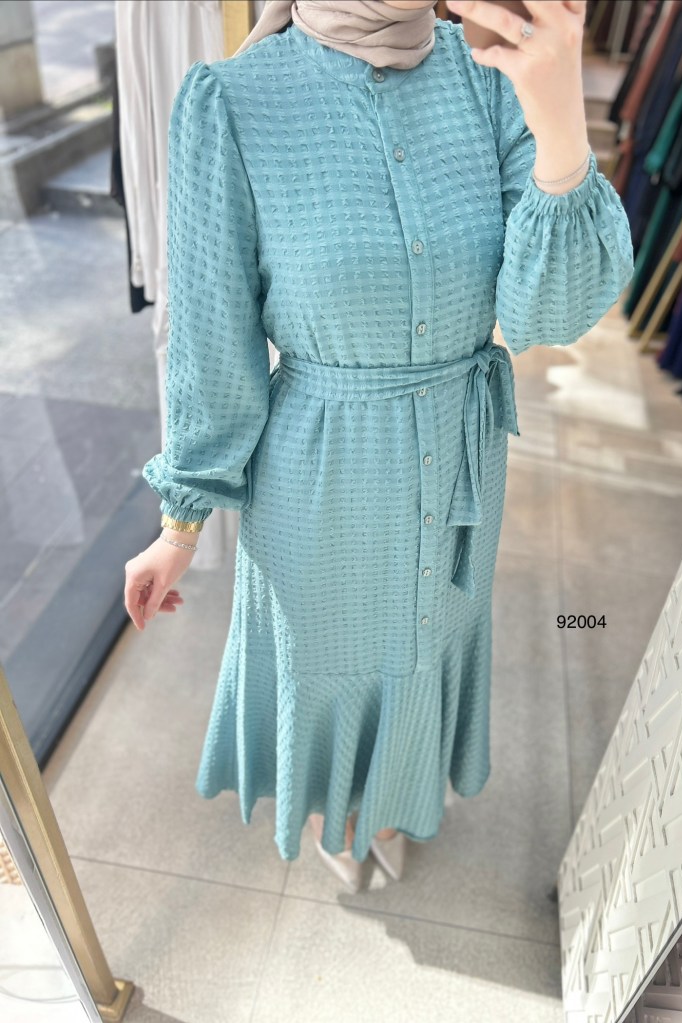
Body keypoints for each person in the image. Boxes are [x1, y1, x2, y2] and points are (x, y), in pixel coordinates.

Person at [124, 0, 634, 894]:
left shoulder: (489, 79)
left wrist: (559, 124)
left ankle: (397, 794)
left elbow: (547, 315)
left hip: (463, 451)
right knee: (333, 660)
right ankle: (340, 802)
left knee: (433, 639)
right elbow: (212, 341)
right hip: (323, 478)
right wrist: (181, 521)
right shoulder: (233, 102)